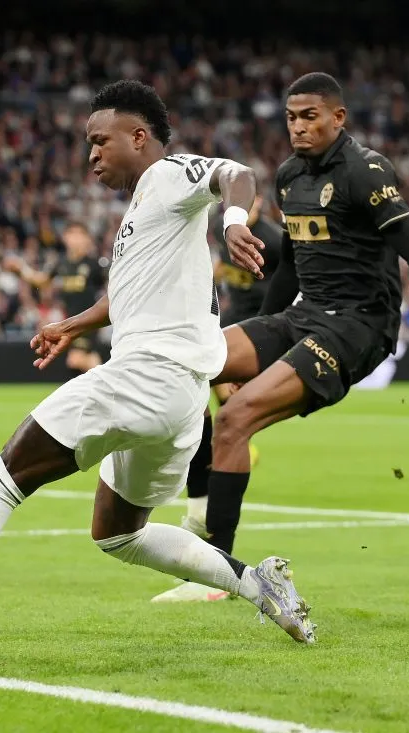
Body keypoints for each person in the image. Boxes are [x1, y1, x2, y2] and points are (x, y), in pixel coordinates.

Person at [0, 79, 317, 645]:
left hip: (145, 376)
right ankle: (259, 585)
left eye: (100, 141)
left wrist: (233, 222)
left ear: (139, 136)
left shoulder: (167, 174)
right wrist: (74, 324)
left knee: (6, 475)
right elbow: (127, 296)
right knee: (118, 533)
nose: (91, 155)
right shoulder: (149, 210)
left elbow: (234, 175)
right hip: (179, 400)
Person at [154, 72, 409, 604]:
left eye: (310, 116)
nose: (299, 127)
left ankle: (221, 578)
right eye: (291, 117)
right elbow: (292, 271)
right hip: (304, 315)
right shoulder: (287, 178)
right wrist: (258, 335)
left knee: (235, 419)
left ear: (338, 118)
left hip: (359, 326)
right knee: (193, 364)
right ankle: (194, 509)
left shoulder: (365, 171)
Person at [154, 194, 281, 603]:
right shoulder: (220, 232)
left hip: (266, 333)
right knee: (205, 397)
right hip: (236, 330)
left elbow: (295, 283)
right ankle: (203, 519)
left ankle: (210, 551)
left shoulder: (273, 239)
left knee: (217, 405)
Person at [5, 222, 108, 377]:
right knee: (88, 359)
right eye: (71, 234)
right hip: (70, 320)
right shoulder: (61, 263)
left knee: (75, 360)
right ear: (65, 238)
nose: (75, 239)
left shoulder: (94, 263)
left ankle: (112, 381)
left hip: (88, 320)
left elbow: (112, 283)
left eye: (80, 234)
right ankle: (108, 385)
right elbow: (41, 280)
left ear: (88, 239)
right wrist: (21, 269)